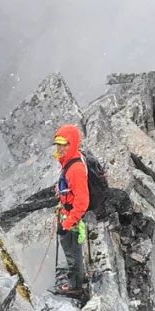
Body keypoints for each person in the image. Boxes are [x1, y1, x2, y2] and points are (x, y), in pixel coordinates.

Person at [53, 124, 89, 295]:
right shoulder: (72, 160)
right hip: (69, 213)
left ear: (72, 144)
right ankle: (81, 276)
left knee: (71, 250)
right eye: (58, 144)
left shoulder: (75, 169)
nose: (60, 148)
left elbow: (82, 202)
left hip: (73, 217)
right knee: (74, 249)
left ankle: (75, 286)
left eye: (64, 144)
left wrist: (67, 224)